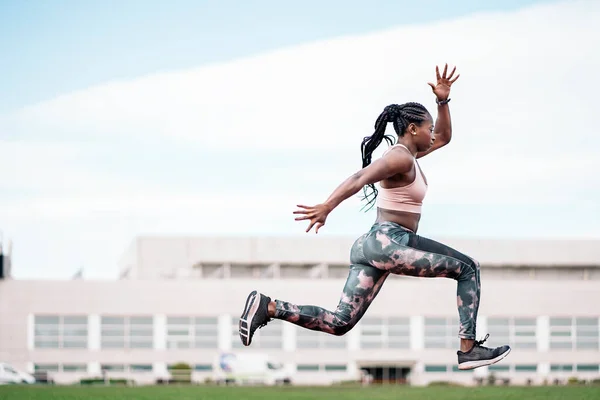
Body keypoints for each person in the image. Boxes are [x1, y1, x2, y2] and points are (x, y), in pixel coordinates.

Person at [238, 64, 511, 370]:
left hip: (376, 244)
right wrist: (327, 206)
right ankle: (468, 348)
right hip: (387, 242)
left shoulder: (411, 156)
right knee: (468, 268)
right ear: (412, 129)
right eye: (428, 128)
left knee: (340, 322)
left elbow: (445, 137)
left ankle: (269, 307)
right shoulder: (399, 157)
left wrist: (442, 102)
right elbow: (360, 177)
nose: (432, 133)